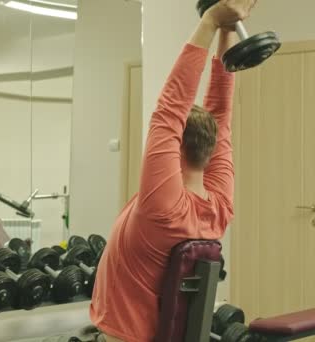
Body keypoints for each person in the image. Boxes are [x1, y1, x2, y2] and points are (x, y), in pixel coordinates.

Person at [89, 1, 258, 341]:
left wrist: (211, 21)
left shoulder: (164, 206)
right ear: (209, 150)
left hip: (127, 336)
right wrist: (227, 30)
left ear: (175, 147)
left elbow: (170, 108)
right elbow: (220, 114)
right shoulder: (219, 207)